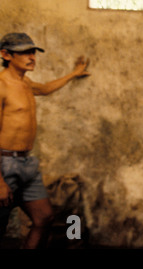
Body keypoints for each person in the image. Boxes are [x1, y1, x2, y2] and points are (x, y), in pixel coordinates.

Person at [0, 32, 90, 249]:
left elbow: (46, 88)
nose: (31, 57)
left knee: (44, 218)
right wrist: (0, 181)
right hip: (4, 165)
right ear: (6, 55)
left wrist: (74, 73)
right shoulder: (2, 86)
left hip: (27, 163)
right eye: (24, 53)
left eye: (33, 52)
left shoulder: (25, 83)